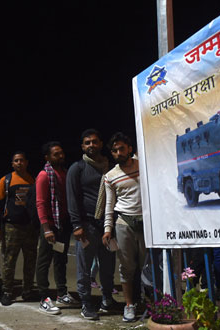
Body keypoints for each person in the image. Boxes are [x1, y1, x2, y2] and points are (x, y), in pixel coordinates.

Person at [66, 128, 114, 320]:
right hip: (87, 226)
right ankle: (86, 303)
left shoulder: (110, 167)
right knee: (84, 269)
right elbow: (72, 199)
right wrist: (77, 225)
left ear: (101, 144)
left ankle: (107, 299)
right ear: (82, 146)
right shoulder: (77, 168)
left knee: (108, 266)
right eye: (87, 143)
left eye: (94, 141)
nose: (91, 145)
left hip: (108, 225)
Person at [101, 132, 144, 322]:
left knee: (148, 266)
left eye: (122, 148)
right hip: (124, 222)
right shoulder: (110, 176)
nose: (119, 152)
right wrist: (107, 229)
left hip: (147, 221)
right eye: (115, 150)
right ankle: (129, 306)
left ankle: (151, 302)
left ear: (130, 149)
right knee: (127, 268)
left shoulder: (142, 164)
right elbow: (109, 205)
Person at [35, 142, 78, 315]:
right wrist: (46, 228)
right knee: (44, 261)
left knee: (61, 259)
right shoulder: (44, 175)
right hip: (50, 226)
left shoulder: (64, 173)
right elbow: (41, 203)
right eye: (56, 154)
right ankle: (44, 297)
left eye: (61, 153)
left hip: (63, 225)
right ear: (47, 157)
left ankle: (61, 292)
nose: (60, 156)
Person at [0, 151, 38, 306]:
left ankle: (28, 291)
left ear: (26, 162)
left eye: (22, 160)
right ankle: (7, 291)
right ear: (12, 164)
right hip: (11, 226)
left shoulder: (32, 179)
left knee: (30, 260)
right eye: (16, 161)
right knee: (9, 260)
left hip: (30, 227)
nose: (19, 163)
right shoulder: (5, 180)